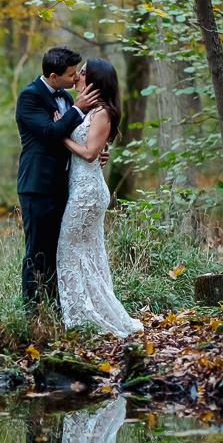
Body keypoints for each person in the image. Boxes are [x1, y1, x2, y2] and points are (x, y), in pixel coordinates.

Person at [56, 59, 144, 337]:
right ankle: (91, 311)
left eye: (83, 72)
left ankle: (83, 316)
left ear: (95, 81)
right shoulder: (86, 111)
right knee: (88, 252)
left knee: (67, 248)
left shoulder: (103, 112)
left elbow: (90, 153)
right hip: (81, 188)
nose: (78, 75)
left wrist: (60, 136)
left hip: (88, 192)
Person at [14, 46, 101, 312]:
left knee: (58, 252)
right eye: (71, 74)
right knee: (37, 252)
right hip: (37, 187)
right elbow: (51, 134)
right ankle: (32, 314)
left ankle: (54, 309)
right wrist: (76, 109)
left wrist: (98, 153)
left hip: (65, 186)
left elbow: (77, 136)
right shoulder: (30, 97)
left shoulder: (63, 95)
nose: (76, 78)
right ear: (53, 76)